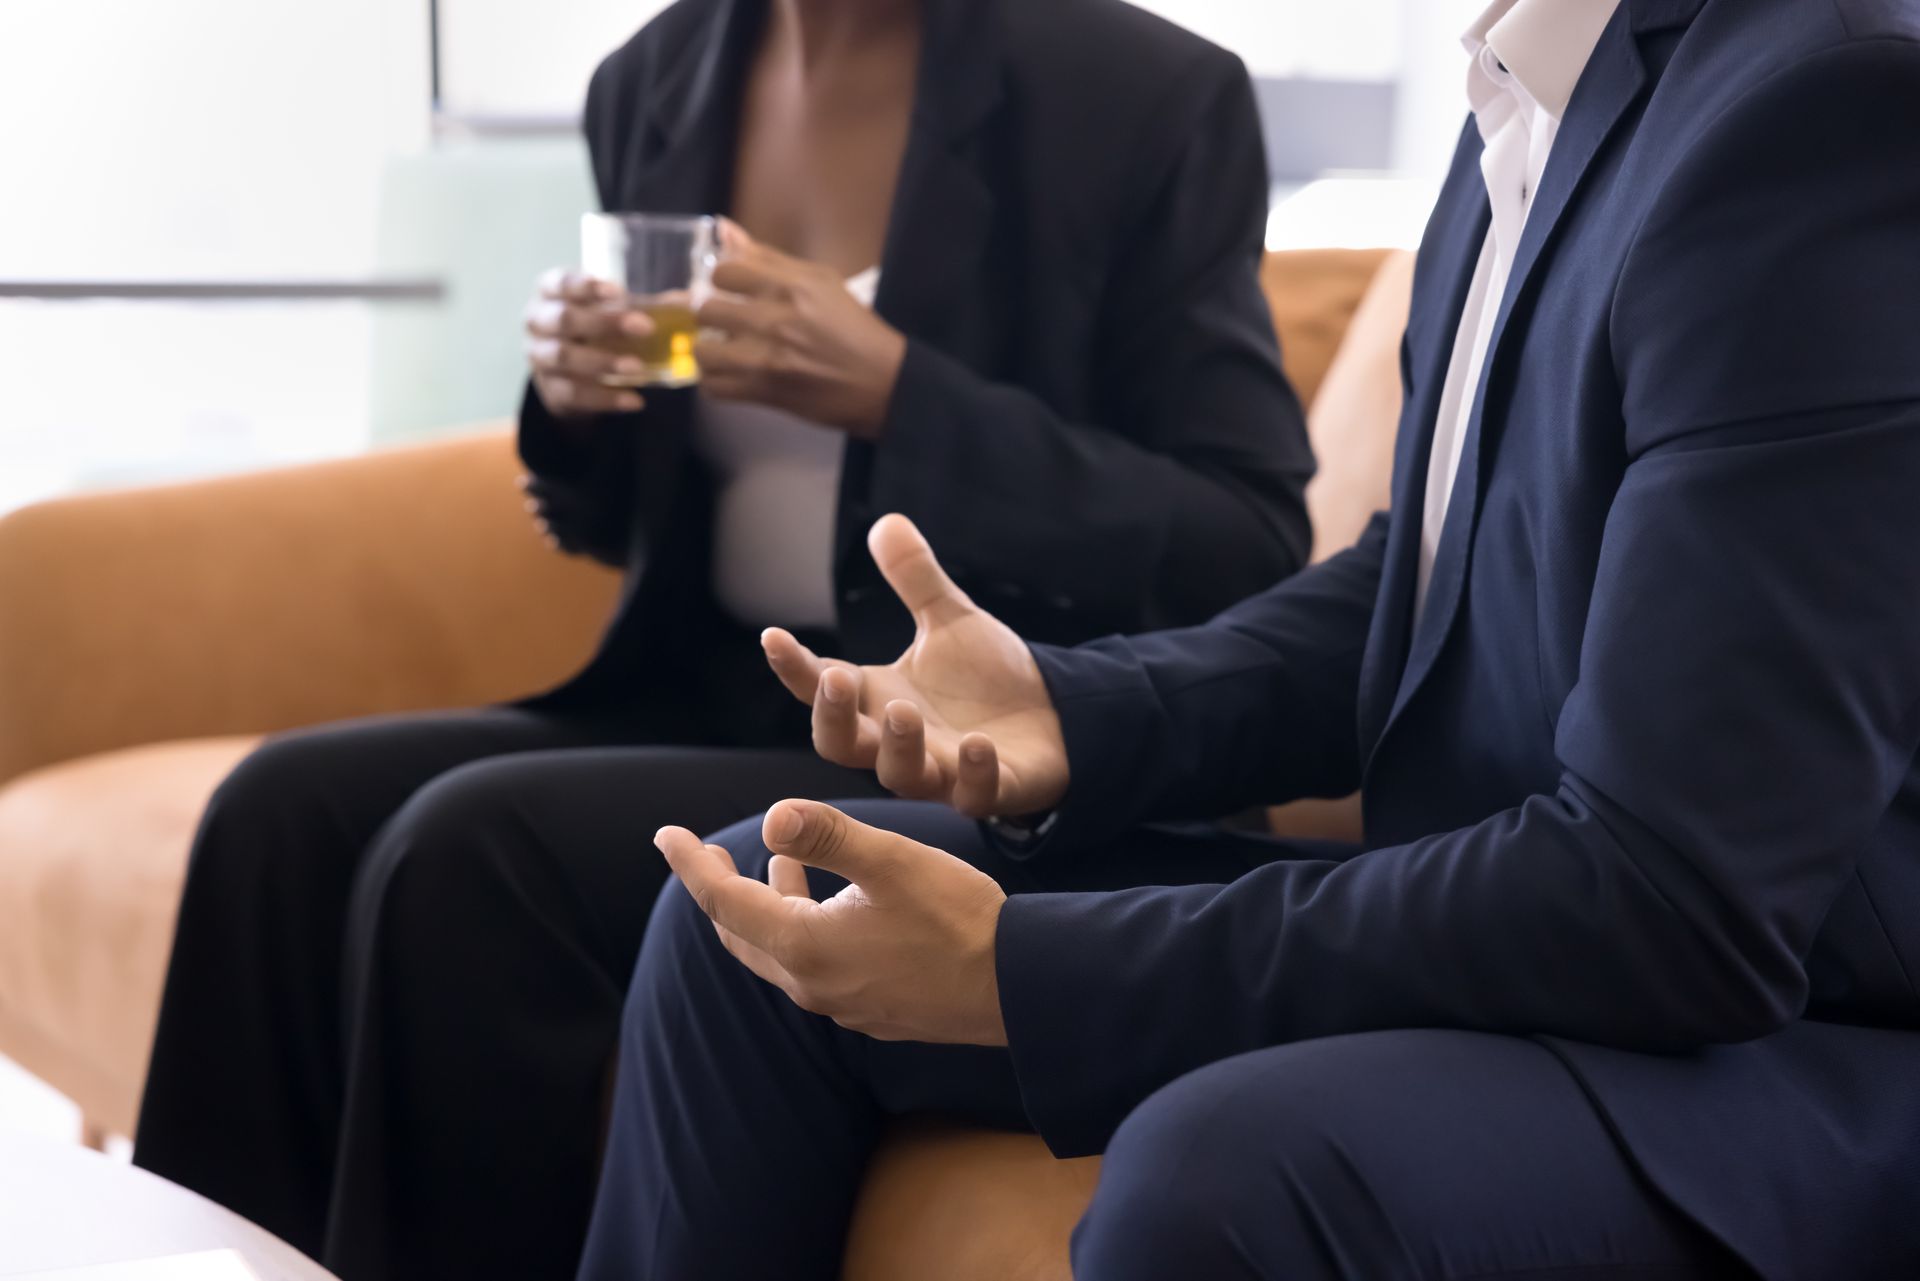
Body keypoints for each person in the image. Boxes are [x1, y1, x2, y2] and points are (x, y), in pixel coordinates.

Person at [583, 0, 1920, 1277]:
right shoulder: (1532, 82)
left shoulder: (1816, 106)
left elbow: (1675, 900)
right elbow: (1430, 585)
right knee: (753, 910)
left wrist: (1021, 973)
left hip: (1794, 1046)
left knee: (1223, 1177)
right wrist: (1077, 708)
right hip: (1517, 930)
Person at [130, 1, 1316, 1277]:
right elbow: (619, 521)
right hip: (701, 690)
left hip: (956, 738)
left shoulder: (1140, 93)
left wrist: (901, 393)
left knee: (469, 851)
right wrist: (573, 405)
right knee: (277, 814)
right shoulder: (653, 77)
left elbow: (1241, 538)